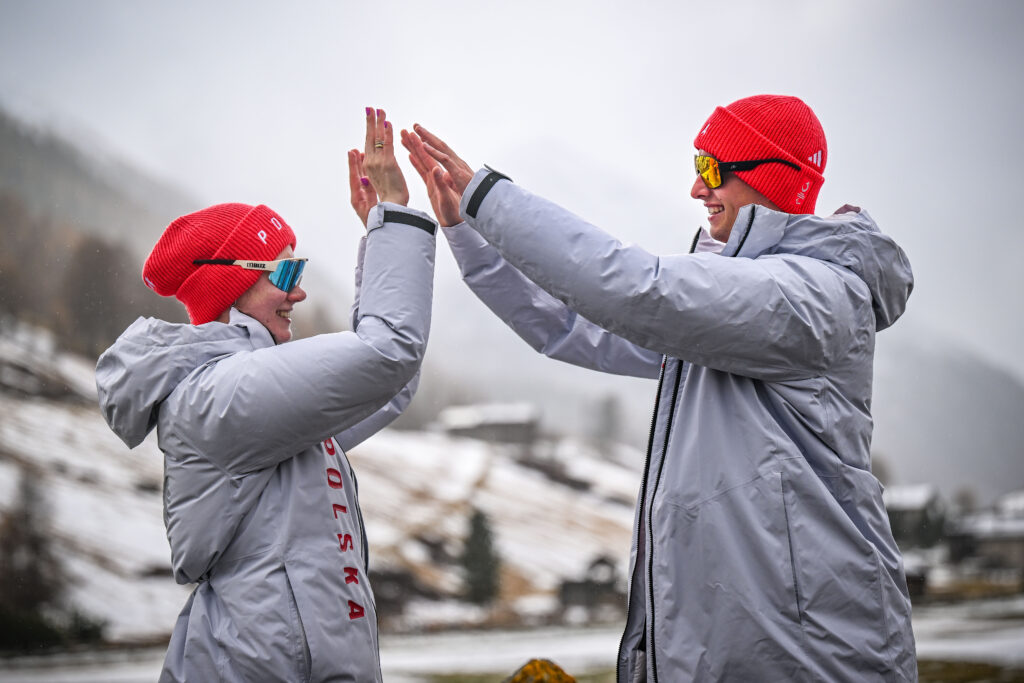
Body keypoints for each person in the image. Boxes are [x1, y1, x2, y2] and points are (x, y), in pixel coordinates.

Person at [401, 94, 917, 681]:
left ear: (768, 178)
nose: (697, 190)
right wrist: (464, 229)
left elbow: (638, 291)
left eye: (710, 169)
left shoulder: (810, 296)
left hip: (812, 661)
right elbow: (572, 324)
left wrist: (487, 197)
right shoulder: (736, 311)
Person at [95, 108, 437, 682]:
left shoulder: (255, 391)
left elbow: (388, 383)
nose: (299, 291)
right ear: (228, 283)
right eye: (283, 272)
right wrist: (394, 219)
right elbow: (387, 354)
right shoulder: (224, 394)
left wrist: (379, 234)